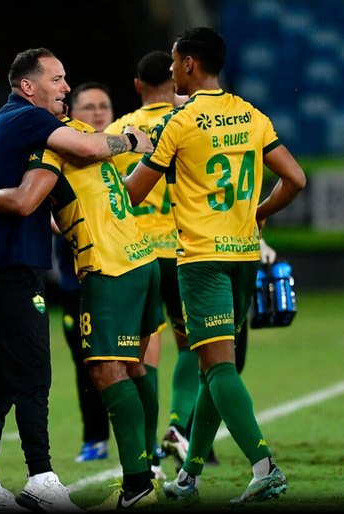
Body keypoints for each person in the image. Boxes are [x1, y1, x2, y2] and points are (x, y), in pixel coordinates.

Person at [123, 27, 306, 504]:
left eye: (174, 60)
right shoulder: (252, 115)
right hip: (244, 256)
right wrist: (259, 212)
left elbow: (134, 192)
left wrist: (106, 162)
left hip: (201, 259)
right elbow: (296, 178)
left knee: (218, 366)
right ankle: (189, 477)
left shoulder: (178, 124)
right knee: (211, 366)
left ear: (188, 64)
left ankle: (264, 466)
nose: (169, 69)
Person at [0, 47, 152, 512]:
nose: (66, 89)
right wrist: (130, 141)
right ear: (29, 87)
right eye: (58, 80)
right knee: (34, 376)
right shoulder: (33, 124)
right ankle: (42, 480)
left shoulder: (18, 122)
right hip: (9, 269)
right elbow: (31, 199)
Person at [105, 50, 184, 479]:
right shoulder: (187, 121)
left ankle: (149, 451)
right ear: (176, 80)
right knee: (197, 347)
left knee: (140, 359)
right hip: (188, 249)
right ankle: (179, 425)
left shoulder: (119, 132)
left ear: (136, 85)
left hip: (139, 257)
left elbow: (111, 193)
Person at [58, 82, 114, 463]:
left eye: (103, 106)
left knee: (138, 361)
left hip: (125, 272)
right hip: (77, 277)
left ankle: (165, 439)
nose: (96, 113)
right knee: (87, 363)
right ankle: (95, 437)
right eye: (88, 106)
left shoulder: (121, 153)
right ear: (73, 112)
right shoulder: (60, 150)